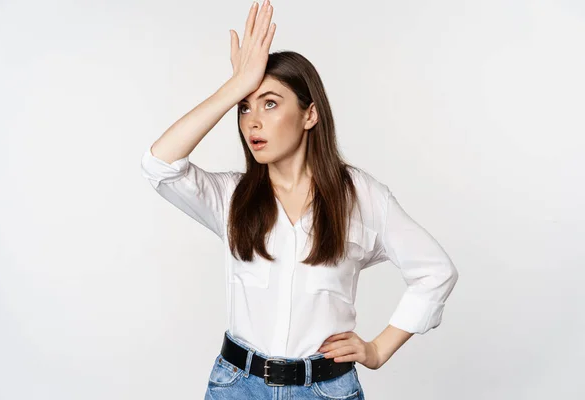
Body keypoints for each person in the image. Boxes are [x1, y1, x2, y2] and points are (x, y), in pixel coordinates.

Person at [140, 0, 459, 398]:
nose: (251, 121)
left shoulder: (361, 196)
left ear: (310, 115)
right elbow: (159, 164)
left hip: (325, 389)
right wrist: (235, 85)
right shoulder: (231, 197)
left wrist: (378, 349)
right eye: (244, 108)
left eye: (270, 103)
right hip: (238, 387)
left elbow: (435, 272)